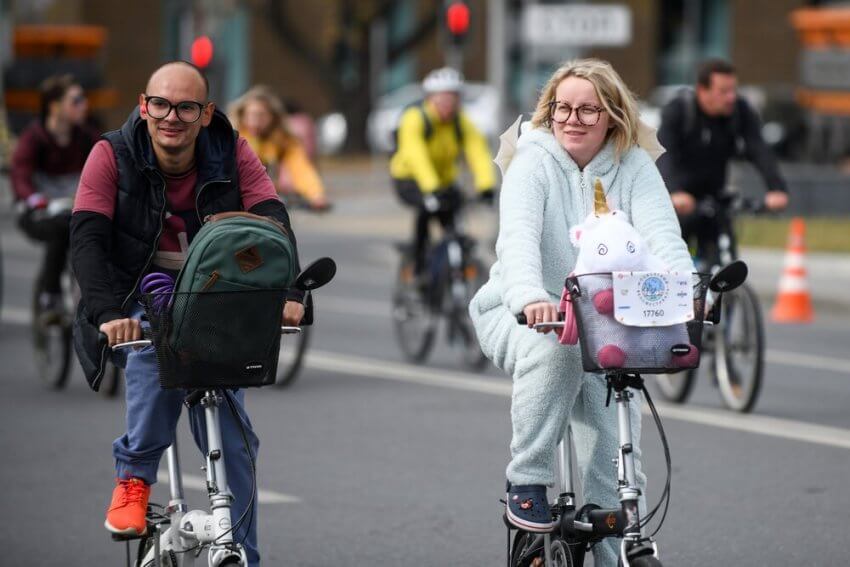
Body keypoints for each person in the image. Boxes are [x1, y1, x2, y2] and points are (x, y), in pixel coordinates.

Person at [70, 61, 305, 566]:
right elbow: (87, 240)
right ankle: (133, 478)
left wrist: (291, 293)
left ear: (206, 113)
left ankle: (244, 554)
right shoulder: (110, 154)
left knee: (236, 443)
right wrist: (108, 313)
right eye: (160, 104)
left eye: (186, 107)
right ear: (143, 105)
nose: (170, 116)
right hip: (135, 298)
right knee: (156, 353)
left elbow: (271, 219)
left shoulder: (232, 149)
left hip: (215, 297)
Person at [468, 59, 693, 566]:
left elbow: (664, 238)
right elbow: (518, 239)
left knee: (615, 431)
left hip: (609, 322)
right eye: (561, 108)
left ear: (611, 115)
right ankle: (528, 481)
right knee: (558, 354)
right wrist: (529, 297)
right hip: (524, 313)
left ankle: (614, 544)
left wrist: (685, 291)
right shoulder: (532, 162)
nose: (572, 118)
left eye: (587, 109)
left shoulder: (633, 165)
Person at [657, 58, 788, 260]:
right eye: (723, 91)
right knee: (674, 263)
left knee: (724, 262)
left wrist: (776, 188)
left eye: (733, 90)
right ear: (702, 90)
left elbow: (758, 148)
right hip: (681, 202)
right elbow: (665, 154)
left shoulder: (740, 111)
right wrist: (674, 192)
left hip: (716, 197)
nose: (731, 97)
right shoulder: (679, 110)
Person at [389, 67, 496, 281]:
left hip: (443, 182)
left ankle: (451, 270)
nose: (449, 103)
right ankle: (418, 268)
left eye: (453, 97)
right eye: (443, 98)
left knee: (455, 226)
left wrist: (486, 186)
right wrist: (431, 189)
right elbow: (415, 154)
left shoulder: (460, 121)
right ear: (431, 98)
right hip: (409, 179)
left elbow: (478, 151)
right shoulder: (415, 118)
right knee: (426, 209)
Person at [11, 74, 98, 314]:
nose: (84, 105)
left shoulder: (87, 137)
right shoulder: (34, 138)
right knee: (60, 228)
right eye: (76, 100)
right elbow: (20, 175)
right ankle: (50, 292)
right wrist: (34, 199)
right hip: (37, 212)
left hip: (73, 209)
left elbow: (107, 166)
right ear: (55, 106)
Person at [228, 85, 331, 211]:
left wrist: (316, 195)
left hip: (263, 203)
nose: (254, 121)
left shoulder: (283, 140)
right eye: (250, 115)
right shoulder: (232, 137)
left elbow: (301, 168)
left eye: (261, 115)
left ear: (273, 117)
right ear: (242, 115)